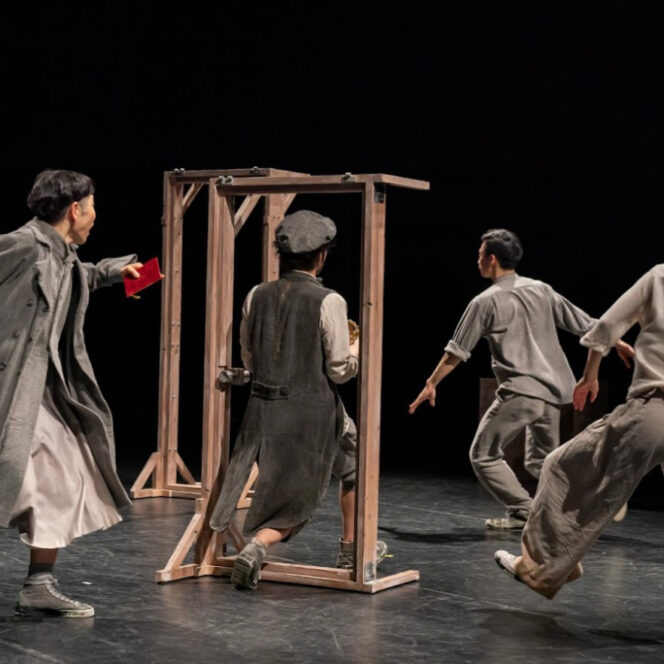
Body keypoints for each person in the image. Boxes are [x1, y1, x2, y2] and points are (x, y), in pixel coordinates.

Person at [208, 209, 386, 589]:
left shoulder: (256, 294)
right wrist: (356, 352)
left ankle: (348, 549)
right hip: (311, 415)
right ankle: (262, 545)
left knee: (348, 461)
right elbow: (339, 370)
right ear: (321, 255)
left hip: (263, 412)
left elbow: (249, 357)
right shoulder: (329, 300)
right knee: (313, 489)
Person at [409, 229, 632, 529]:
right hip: (553, 394)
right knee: (541, 462)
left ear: (491, 259)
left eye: (480, 255)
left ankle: (524, 511)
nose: (477, 260)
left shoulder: (484, 302)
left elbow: (457, 351)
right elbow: (583, 323)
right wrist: (616, 341)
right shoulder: (541, 289)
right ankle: (596, 489)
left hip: (521, 392)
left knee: (484, 455)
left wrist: (431, 383)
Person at [0, 170, 142, 617]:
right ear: (75, 209)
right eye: (93, 206)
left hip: (41, 388)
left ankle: (39, 583)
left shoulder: (60, 253)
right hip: (11, 384)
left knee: (62, 475)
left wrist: (113, 272)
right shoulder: (24, 244)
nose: (96, 216)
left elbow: (75, 274)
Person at [492, 266, 664, 600]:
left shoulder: (660, 277)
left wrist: (589, 375)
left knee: (558, 465)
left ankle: (540, 568)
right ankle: (563, 555)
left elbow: (606, 327)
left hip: (654, 410)